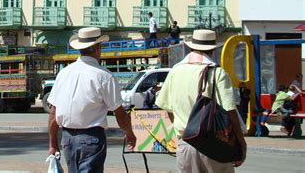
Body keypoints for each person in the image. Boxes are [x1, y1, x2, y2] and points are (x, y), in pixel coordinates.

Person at [47, 27, 136, 172]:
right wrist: (130, 134)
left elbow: (53, 113)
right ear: (96, 48)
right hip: (91, 138)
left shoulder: (63, 74)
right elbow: (119, 113)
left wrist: (52, 144)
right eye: (100, 47)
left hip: (67, 139)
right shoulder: (104, 76)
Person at [156, 29, 247, 172]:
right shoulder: (217, 72)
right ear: (212, 50)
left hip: (185, 143)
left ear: (191, 47)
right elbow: (230, 111)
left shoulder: (175, 71)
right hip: (214, 144)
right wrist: (241, 144)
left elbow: (168, 109)